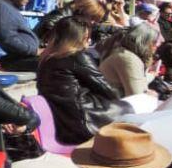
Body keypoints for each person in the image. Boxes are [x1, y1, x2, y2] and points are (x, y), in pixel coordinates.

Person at [36, 17, 124, 145]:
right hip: (84, 124)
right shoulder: (77, 57)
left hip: (62, 125)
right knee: (143, 102)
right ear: (80, 38)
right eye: (87, 37)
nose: (89, 41)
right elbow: (108, 91)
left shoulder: (46, 59)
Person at [99, 23, 158, 95]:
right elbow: (136, 96)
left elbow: (137, 82)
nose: (156, 46)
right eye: (154, 43)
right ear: (145, 43)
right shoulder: (129, 59)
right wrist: (150, 96)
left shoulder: (125, 54)